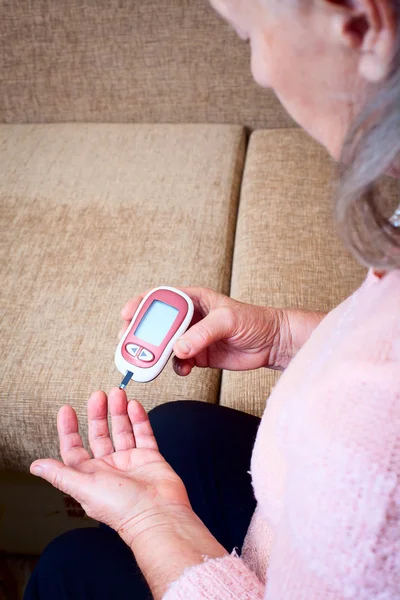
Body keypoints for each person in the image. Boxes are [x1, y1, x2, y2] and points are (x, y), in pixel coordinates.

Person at [25, 1, 400, 599]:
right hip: (296, 504)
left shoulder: (371, 466)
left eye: (250, 33)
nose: (256, 70)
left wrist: (156, 525)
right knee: (177, 429)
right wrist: (284, 335)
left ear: (359, 20)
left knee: (67, 569)